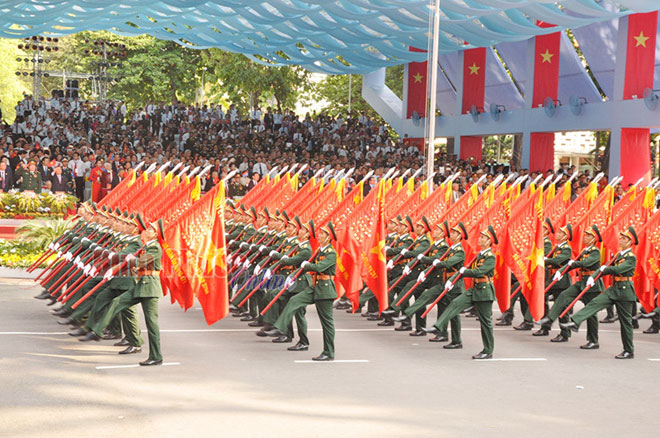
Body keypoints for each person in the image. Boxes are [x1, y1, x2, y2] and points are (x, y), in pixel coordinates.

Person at [561, 226, 638, 359]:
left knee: (626, 323)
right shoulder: (619, 255)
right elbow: (603, 268)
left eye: (624, 238)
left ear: (630, 242)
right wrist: (593, 277)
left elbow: (617, 269)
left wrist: (605, 269)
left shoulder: (631, 258)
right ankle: (575, 321)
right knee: (594, 303)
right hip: (614, 289)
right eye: (621, 238)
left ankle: (628, 350)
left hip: (625, 291)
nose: (620, 240)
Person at [265, 221, 338, 361]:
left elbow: (319, 267)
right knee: (294, 300)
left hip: (325, 290)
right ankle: (280, 326)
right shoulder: (320, 251)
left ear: (328, 238)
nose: (320, 235)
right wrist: (293, 275)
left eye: (322, 234)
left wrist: (307, 265)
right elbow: (305, 267)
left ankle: (328, 352)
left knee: (326, 323)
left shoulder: (331, 253)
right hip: (315, 286)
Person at [424, 226, 497, 359]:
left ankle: (488, 350)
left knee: (485, 322)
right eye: (480, 236)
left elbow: (479, 272)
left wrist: (465, 272)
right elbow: (463, 271)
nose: (480, 239)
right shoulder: (479, 255)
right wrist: (451, 280)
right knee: (455, 303)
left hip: (484, 292)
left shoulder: (490, 257)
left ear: (488, 241)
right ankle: (438, 326)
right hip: (475, 289)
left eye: (483, 237)